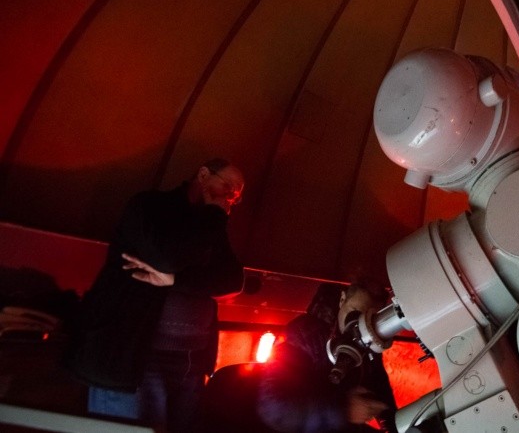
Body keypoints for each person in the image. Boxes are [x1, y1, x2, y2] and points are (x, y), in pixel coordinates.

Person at [65, 158, 246, 432]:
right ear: (203, 174)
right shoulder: (151, 207)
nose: (231, 197)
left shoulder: (212, 228)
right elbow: (167, 257)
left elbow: (231, 281)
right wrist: (214, 217)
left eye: (237, 195)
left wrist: (175, 280)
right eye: (228, 186)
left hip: (188, 362)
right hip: (135, 357)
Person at [257, 281, 398, 433]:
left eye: (368, 320)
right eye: (354, 314)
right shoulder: (301, 335)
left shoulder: (368, 339)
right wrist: (343, 409)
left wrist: (395, 425)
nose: (360, 327)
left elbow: (379, 390)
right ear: (342, 300)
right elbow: (274, 406)